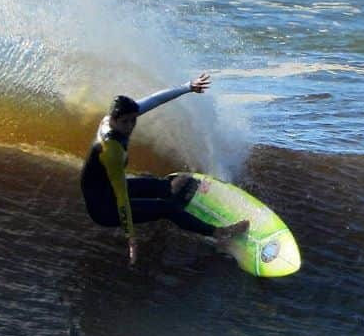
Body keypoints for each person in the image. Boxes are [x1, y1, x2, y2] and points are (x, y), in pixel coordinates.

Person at [81, 72, 248, 265]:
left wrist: (188, 87)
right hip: (103, 208)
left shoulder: (116, 118)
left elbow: (155, 100)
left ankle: (174, 202)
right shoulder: (111, 150)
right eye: (125, 122)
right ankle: (219, 234)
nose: (130, 126)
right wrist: (131, 239)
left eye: (133, 120)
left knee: (158, 185)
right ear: (114, 119)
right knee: (165, 208)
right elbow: (121, 198)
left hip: (105, 190)